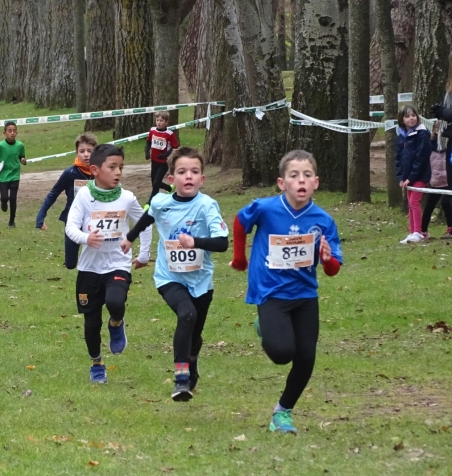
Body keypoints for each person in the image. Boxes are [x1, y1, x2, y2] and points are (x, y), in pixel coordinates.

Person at [229, 149, 343, 434]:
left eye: (307, 176)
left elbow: (333, 268)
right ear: (282, 183)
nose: (301, 181)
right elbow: (240, 223)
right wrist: (240, 259)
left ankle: (283, 412)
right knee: (281, 353)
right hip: (270, 292)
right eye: (294, 176)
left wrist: (328, 260)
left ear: (316, 182)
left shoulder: (323, 220)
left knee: (306, 359)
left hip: (305, 295)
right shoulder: (266, 208)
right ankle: (265, 326)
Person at [121, 147, 229, 402]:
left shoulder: (207, 205)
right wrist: (129, 238)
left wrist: (196, 242)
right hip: (169, 277)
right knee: (186, 314)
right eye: (182, 172)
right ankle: (181, 379)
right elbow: (147, 219)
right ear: (172, 179)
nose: (188, 176)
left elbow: (223, 243)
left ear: (202, 179)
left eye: (194, 172)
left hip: (201, 281)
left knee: (195, 333)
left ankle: (191, 361)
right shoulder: (161, 202)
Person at [65, 144, 152, 384]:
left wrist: (143, 254)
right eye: (112, 167)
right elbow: (70, 227)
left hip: (117, 264)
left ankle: (116, 322)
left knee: (115, 301)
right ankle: (97, 363)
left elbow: (144, 221)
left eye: (121, 167)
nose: (118, 173)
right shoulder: (84, 195)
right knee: (91, 323)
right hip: (89, 269)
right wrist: (86, 238)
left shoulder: (127, 198)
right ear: (94, 170)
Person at [36, 133, 98, 269]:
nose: (86, 155)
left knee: (94, 262)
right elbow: (53, 193)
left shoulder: (100, 173)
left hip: (94, 219)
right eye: (82, 151)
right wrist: (41, 216)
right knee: (70, 264)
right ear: (76, 153)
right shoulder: (70, 173)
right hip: (73, 220)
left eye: (89, 151)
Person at [396, 105, 432, 244]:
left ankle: (419, 231)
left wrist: (411, 177)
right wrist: (401, 178)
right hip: (407, 177)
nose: (411, 118)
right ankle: (412, 232)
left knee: (414, 202)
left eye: (413, 115)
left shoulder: (422, 134)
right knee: (410, 203)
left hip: (420, 175)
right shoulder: (402, 135)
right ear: (402, 119)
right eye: (407, 116)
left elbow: (421, 157)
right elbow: (398, 158)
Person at [0, 121, 26, 228]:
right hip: (4, 176)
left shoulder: (20, 145)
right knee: (5, 197)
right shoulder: (0, 145)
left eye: (14, 131)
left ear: (17, 133)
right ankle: (3, 202)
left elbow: (21, 157)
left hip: (15, 174)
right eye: (9, 131)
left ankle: (12, 221)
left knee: (13, 198)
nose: (12, 133)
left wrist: (23, 160)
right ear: (4, 133)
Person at [421, 119, 452, 240]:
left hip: (448, 182)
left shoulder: (449, 146)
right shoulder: (429, 144)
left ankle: (450, 228)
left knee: (445, 203)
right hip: (435, 182)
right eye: (438, 129)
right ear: (434, 130)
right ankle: (423, 231)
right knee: (429, 206)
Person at [145, 111, 179, 204]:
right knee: (154, 184)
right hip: (154, 161)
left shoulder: (169, 134)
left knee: (156, 183)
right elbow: (148, 142)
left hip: (164, 162)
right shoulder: (152, 130)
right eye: (157, 120)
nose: (159, 122)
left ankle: (149, 204)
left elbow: (175, 146)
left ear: (166, 122)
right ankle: (169, 188)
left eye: (161, 120)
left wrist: (165, 155)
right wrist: (147, 151)